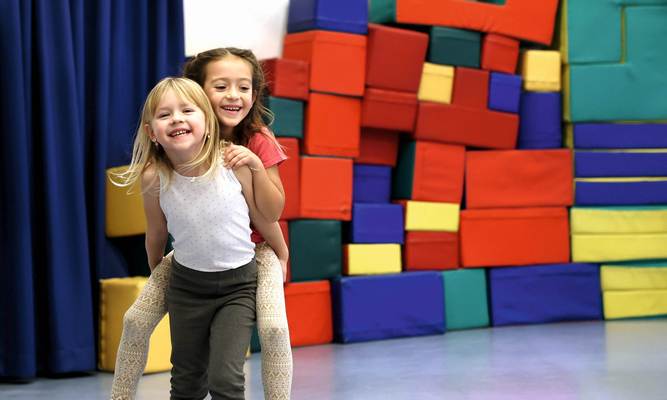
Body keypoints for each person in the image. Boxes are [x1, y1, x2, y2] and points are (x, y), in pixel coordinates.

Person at [110, 48, 293, 400]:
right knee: (155, 344)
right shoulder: (159, 173)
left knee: (269, 333)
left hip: (253, 255)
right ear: (200, 93)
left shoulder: (250, 145)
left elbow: (267, 215)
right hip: (188, 270)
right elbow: (157, 232)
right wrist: (158, 272)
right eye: (221, 86)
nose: (233, 95)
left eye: (243, 87)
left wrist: (281, 253)